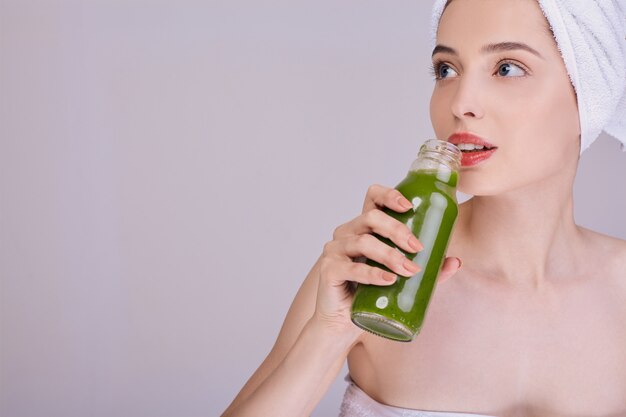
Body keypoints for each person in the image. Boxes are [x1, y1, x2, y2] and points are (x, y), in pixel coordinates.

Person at [222, 0, 626, 415]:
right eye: (446, 70)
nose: (460, 103)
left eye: (507, 68)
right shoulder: (376, 268)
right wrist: (329, 333)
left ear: (590, 89)